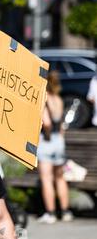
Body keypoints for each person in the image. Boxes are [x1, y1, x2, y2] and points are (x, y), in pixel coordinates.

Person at [37, 70, 73, 224]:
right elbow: (61, 125)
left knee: (46, 179)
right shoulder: (58, 99)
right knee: (60, 178)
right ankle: (65, 212)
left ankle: (50, 213)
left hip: (47, 140)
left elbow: (47, 122)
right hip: (59, 141)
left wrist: (45, 132)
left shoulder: (44, 98)